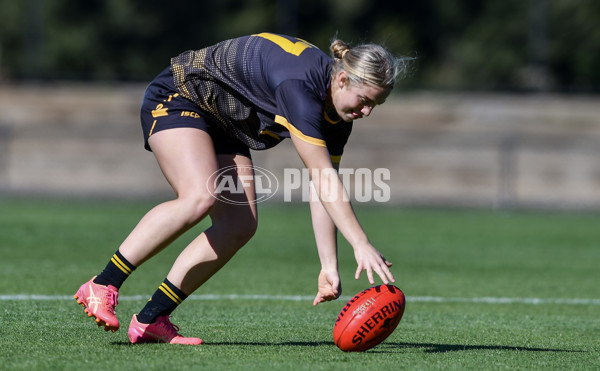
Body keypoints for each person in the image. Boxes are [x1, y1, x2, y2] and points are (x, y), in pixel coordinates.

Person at [74, 32, 408, 345]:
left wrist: (329, 265)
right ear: (342, 78)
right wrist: (360, 243)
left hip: (222, 122)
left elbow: (322, 189)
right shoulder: (301, 87)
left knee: (239, 224)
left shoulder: (337, 115)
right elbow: (323, 177)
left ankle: (151, 319)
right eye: (364, 100)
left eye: (374, 105)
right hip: (181, 93)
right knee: (199, 196)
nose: (366, 112)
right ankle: (103, 283)